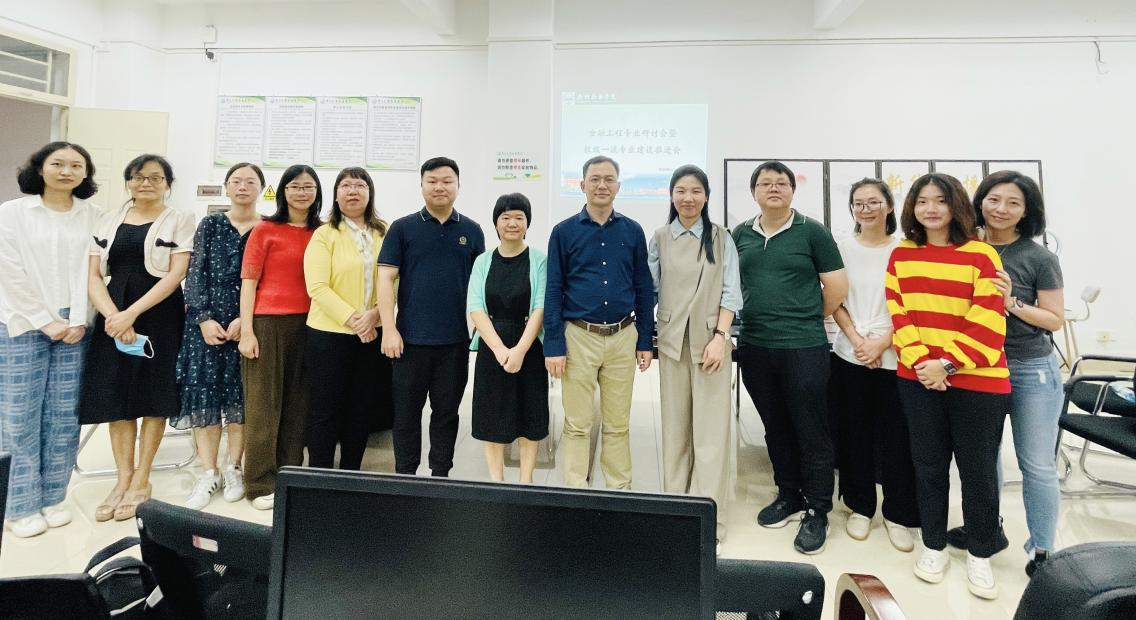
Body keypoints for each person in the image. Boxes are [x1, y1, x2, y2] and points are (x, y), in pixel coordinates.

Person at [887, 172, 1011, 600]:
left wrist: (947, 364)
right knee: (928, 466)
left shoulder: (982, 255)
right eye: (923, 201)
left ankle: (980, 552)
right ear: (912, 208)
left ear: (956, 205)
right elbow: (899, 314)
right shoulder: (902, 255)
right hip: (918, 377)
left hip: (978, 381)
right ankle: (933, 545)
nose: (931, 209)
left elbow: (988, 317)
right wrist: (924, 363)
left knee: (978, 471)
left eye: (940, 200)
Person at [943, 171, 1064, 578]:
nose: (1001, 209)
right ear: (980, 202)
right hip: (978, 367)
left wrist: (1011, 302)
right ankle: (986, 528)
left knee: (1036, 465)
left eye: (1013, 203)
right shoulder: (965, 249)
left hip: (1030, 368)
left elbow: (1054, 319)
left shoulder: (1039, 258)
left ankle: (1043, 550)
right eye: (994, 199)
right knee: (983, 458)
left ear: (1027, 211)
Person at [732, 160, 847, 554]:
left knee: (811, 427)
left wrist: (806, 316)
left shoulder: (812, 231)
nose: (774, 188)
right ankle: (789, 494)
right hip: (754, 344)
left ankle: (818, 509)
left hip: (803, 346)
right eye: (765, 183)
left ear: (792, 190)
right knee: (775, 425)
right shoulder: (740, 234)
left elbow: (836, 288)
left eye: (781, 182)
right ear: (754, 192)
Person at [80, 154, 195, 522]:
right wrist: (114, 315)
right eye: (138, 177)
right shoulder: (107, 219)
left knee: (153, 395)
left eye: (155, 177)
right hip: (113, 311)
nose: (146, 183)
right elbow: (93, 275)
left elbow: (176, 274)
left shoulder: (180, 219)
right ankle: (122, 480)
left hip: (159, 312)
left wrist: (132, 314)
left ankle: (142, 479)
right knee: (117, 396)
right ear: (128, 181)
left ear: (168, 184)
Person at [0, 142, 98, 537]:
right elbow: (8, 270)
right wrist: (46, 321)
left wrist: (77, 320)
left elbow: (94, 271)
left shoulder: (94, 215)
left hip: (76, 326)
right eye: (58, 163)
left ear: (85, 173)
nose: (66, 171)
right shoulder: (12, 213)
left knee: (64, 414)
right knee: (18, 415)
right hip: (22, 323)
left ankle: (53, 496)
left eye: (76, 165)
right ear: (40, 168)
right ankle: (19, 504)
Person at [544, 156, 655, 490]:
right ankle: (575, 492)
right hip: (579, 335)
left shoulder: (633, 231)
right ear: (582, 185)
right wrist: (554, 344)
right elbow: (553, 289)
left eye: (609, 179)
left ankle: (619, 492)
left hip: (623, 335)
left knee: (618, 424)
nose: (602, 185)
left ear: (618, 186)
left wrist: (645, 340)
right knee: (577, 424)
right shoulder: (563, 232)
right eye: (595, 179)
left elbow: (643, 287)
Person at [648, 165, 741, 552]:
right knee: (674, 431)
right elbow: (649, 289)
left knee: (711, 435)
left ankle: (709, 520)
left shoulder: (721, 238)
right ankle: (675, 512)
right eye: (681, 191)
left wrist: (721, 337)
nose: (688, 198)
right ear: (672, 196)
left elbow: (731, 292)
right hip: (672, 344)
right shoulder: (660, 237)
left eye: (696, 191)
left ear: (706, 196)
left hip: (711, 345)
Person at [378, 157, 485, 477]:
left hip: (454, 342)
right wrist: (389, 330)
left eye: (447, 181)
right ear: (422, 185)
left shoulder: (471, 230)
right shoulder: (402, 228)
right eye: (432, 181)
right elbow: (385, 279)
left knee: (446, 414)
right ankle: (405, 477)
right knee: (406, 415)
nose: (440, 187)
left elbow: (480, 284)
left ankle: (440, 475)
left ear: (458, 185)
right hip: (409, 341)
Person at [829, 179, 919, 551]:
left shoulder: (908, 250)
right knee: (854, 432)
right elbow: (833, 299)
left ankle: (897, 513)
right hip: (849, 353)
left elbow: (917, 306)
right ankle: (860, 506)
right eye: (858, 203)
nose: (865, 209)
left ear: (890, 206)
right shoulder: (841, 248)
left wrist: (882, 342)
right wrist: (857, 340)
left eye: (873, 202)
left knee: (897, 436)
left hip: (897, 355)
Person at [174, 162, 263, 510]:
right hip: (206, 326)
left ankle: (233, 467)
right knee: (205, 399)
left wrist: (246, 319)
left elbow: (268, 280)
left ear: (261, 189)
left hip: (248, 325)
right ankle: (208, 471)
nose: (243, 187)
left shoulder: (266, 227)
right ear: (227, 187)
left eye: (250, 182)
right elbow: (194, 274)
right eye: (236, 181)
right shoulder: (210, 225)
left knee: (241, 399)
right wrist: (203, 319)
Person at [239, 164, 320, 510]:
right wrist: (246, 331)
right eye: (294, 186)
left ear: (317, 192)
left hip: (311, 324)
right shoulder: (265, 229)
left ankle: (289, 477)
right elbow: (248, 283)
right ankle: (259, 483)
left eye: (308, 186)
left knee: (298, 405)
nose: (302, 192)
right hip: (268, 324)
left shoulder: (323, 232)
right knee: (263, 406)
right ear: (283, 191)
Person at [303, 167, 392, 471]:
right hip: (328, 335)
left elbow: (395, 280)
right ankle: (320, 478)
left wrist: (376, 314)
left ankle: (350, 474)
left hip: (373, 333)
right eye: (346, 185)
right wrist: (356, 321)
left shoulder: (385, 232)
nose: (353, 191)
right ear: (336, 194)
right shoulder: (324, 234)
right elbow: (317, 287)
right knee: (326, 409)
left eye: (360, 185)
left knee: (361, 408)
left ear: (370, 193)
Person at [467, 193, 549, 482]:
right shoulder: (483, 261)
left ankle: (526, 481)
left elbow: (540, 307)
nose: (512, 223)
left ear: (527, 223)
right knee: (492, 414)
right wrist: (500, 349)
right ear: (496, 223)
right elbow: (475, 306)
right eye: (505, 217)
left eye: (518, 217)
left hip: (530, 347)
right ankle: (496, 481)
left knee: (530, 414)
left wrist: (520, 350)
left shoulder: (539, 260)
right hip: (492, 347)